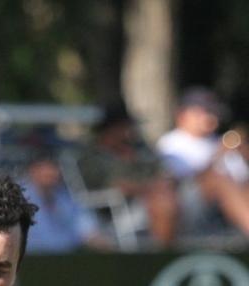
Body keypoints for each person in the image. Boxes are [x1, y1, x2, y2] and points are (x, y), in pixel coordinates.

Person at [75, 101, 179, 247]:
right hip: (113, 209)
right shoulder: (92, 157)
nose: (130, 131)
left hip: (156, 198)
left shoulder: (140, 150)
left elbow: (164, 173)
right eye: (124, 127)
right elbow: (118, 186)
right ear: (110, 129)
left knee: (169, 198)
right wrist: (151, 187)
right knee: (163, 203)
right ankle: (162, 256)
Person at [156, 87, 249, 238]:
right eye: (203, 112)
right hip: (184, 203)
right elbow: (179, 179)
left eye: (213, 112)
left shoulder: (218, 141)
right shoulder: (171, 143)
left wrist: (244, 154)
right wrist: (219, 154)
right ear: (183, 115)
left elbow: (242, 178)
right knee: (219, 180)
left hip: (226, 204)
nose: (211, 118)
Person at [20, 143, 107, 252]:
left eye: (54, 167)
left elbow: (88, 230)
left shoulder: (66, 198)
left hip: (66, 259)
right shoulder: (18, 198)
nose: (51, 172)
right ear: (32, 170)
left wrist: (109, 249)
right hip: (30, 260)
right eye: (45, 167)